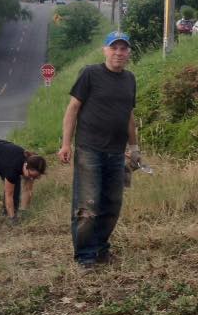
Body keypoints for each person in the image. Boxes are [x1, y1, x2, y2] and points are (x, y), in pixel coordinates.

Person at [58, 30, 139, 266]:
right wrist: (65, 144)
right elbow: (72, 108)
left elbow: (129, 116)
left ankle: (101, 250)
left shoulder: (130, 79)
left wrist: (134, 147)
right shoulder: (91, 74)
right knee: (88, 205)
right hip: (89, 149)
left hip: (116, 153)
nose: (118, 52)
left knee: (112, 204)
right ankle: (84, 256)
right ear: (105, 50)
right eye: (114, 47)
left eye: (123, 48)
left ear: (128, 53)